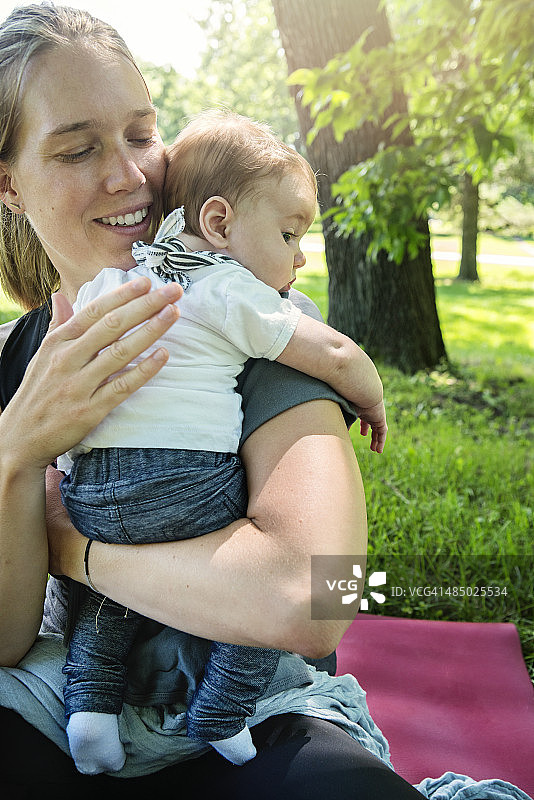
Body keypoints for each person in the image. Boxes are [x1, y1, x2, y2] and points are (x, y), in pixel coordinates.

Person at [1, 6, 529, 800]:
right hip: (61, 702)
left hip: (258, 708)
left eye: (142, 135)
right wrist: (14, 452)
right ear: (8, 183)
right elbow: (6, 640)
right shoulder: (15, 358)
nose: (130, 176)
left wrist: (75, 549)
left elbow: (321, 597)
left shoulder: (260, 323)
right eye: (78, 148)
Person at [56, 109, 388, 775]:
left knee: (103, 602)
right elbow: (336, 354)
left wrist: (67, 537)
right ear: (218, 224)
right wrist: (373, 396)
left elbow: (319, 599)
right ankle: (224, 707)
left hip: (90, 491)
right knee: (249, 599)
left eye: (144, 137)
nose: (300, 257)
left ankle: (88, 708)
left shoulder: (109, 286)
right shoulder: (240, 291)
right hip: (185, 486)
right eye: (291, 233)